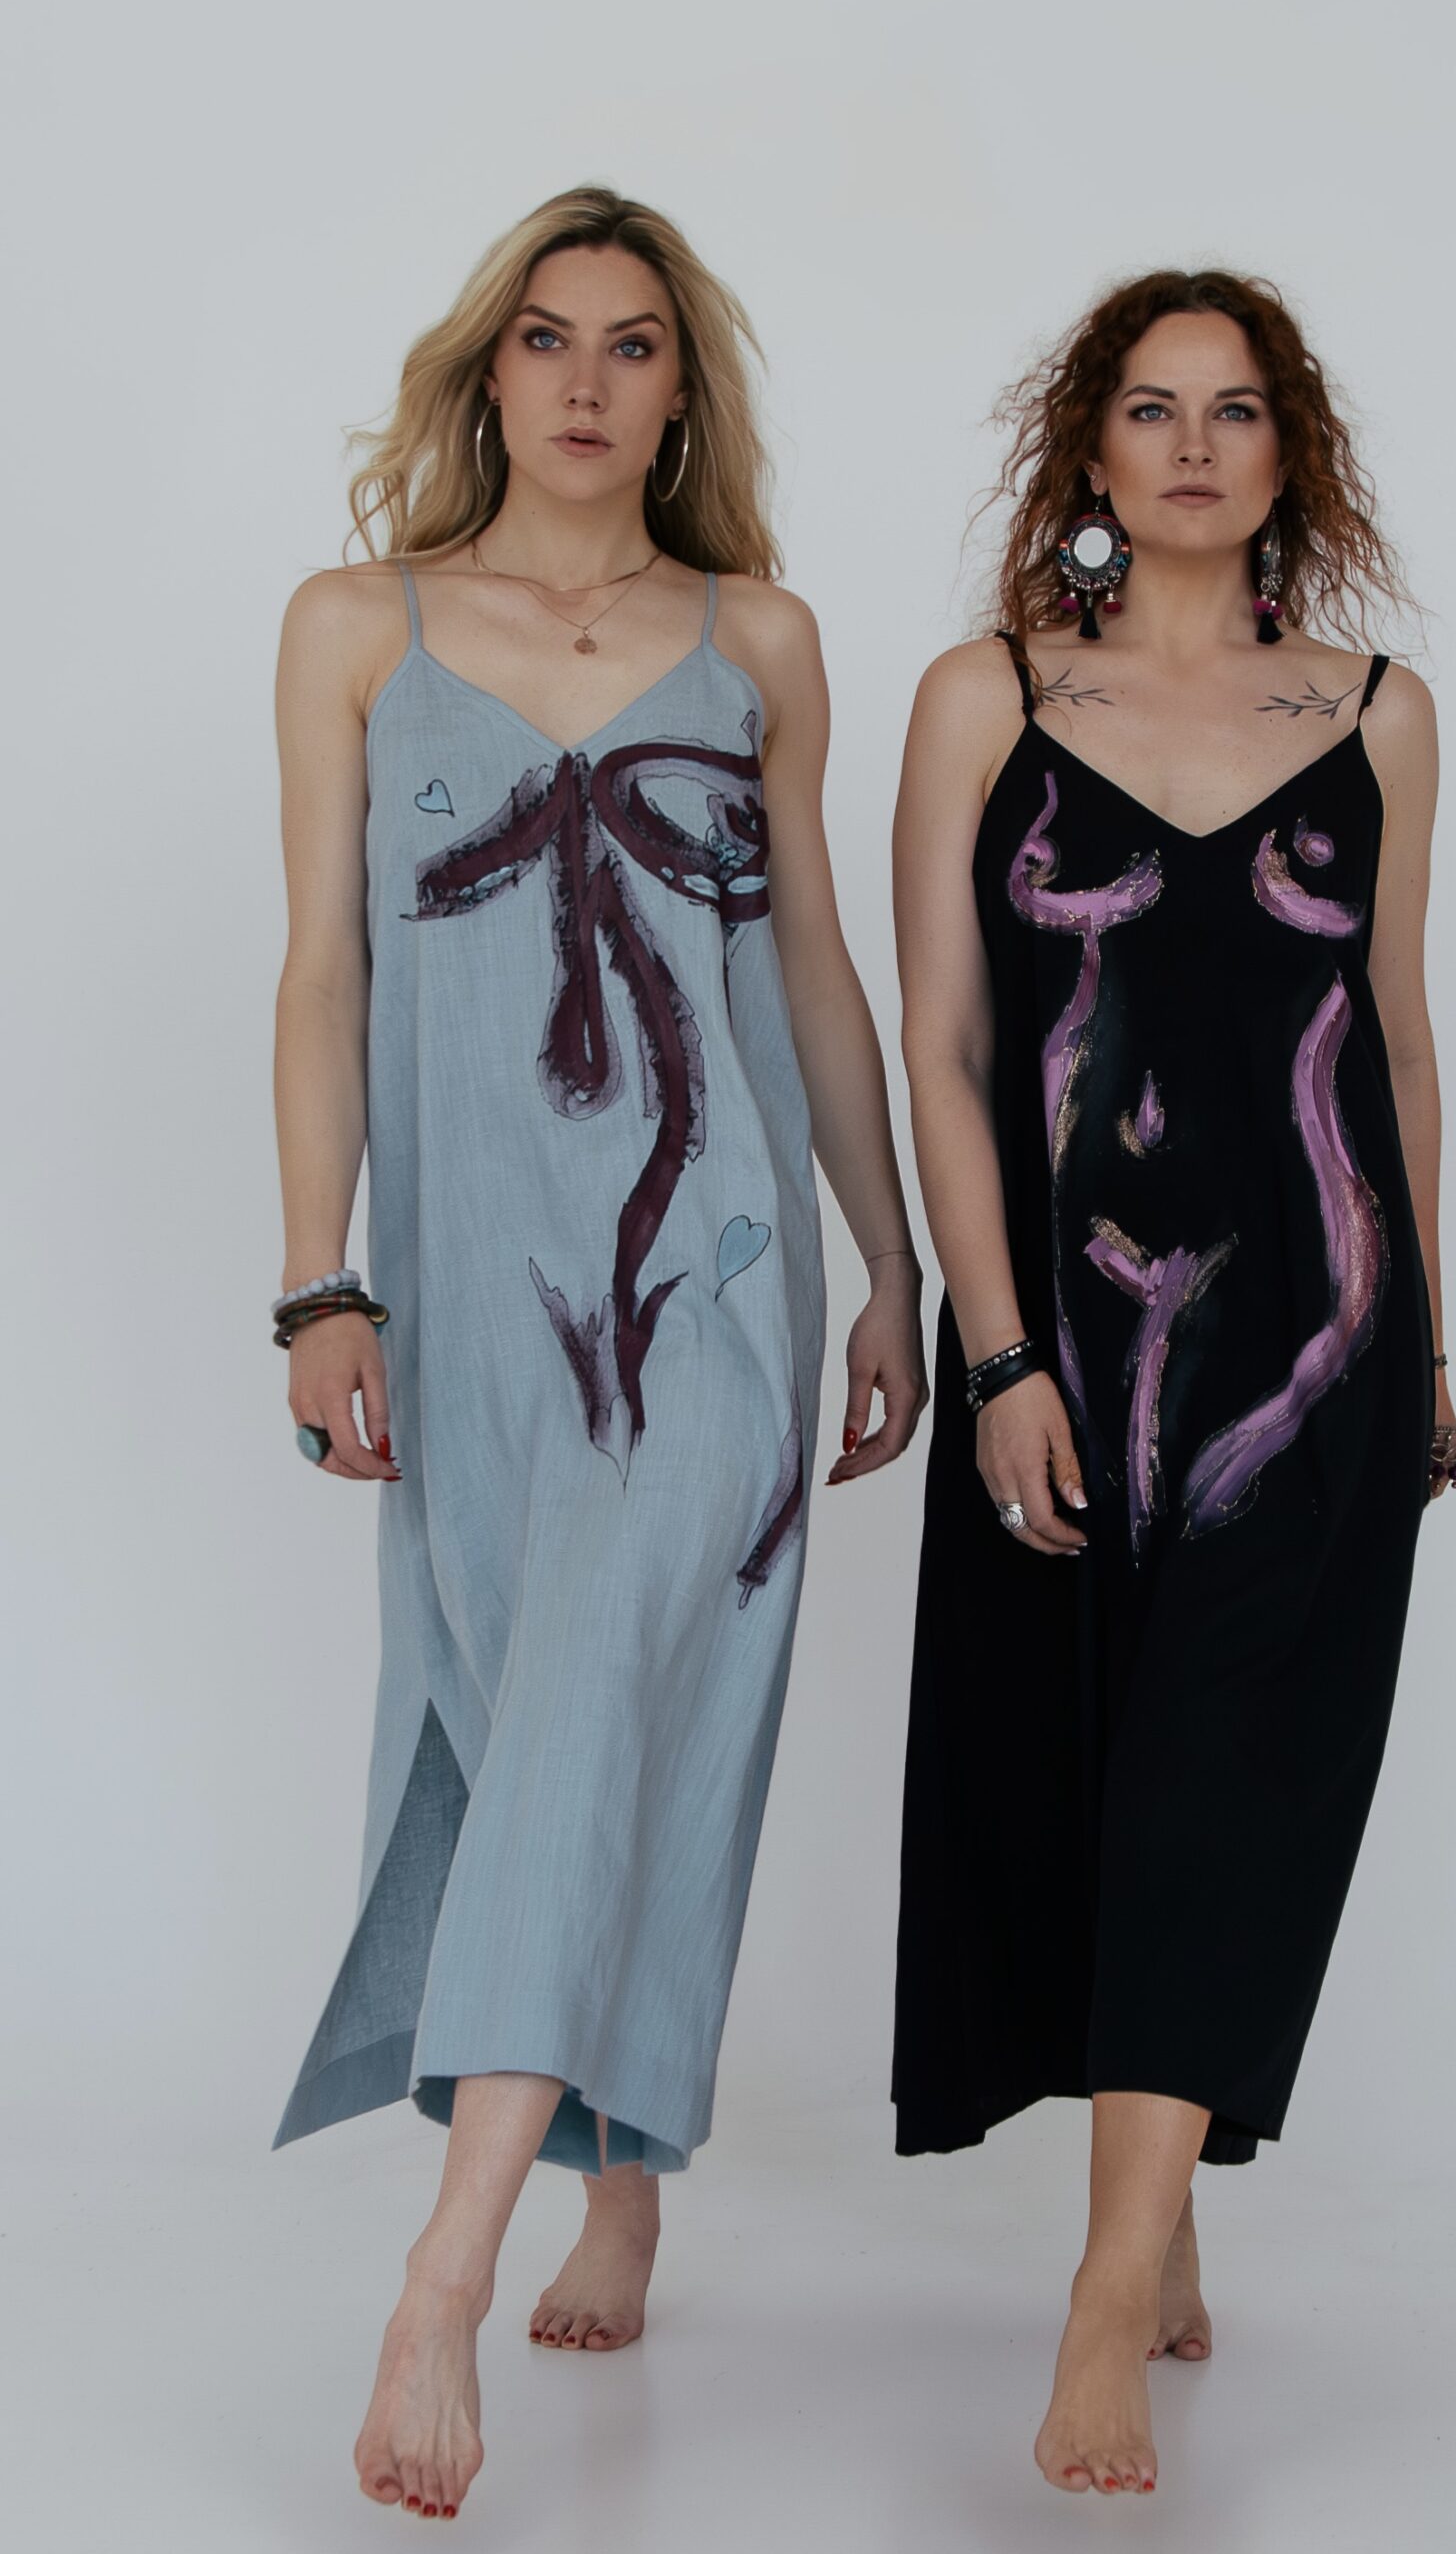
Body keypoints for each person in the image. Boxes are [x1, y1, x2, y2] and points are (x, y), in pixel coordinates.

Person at [269, 184, 925, 2522]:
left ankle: (441, 2270)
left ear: (679, 391)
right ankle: (617, 2166)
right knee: (538, 1706)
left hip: (711, 1280)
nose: (581, 378)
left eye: (631, 343)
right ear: (487, 373)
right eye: (543, 337)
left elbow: (815, 971)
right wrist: (317, 1280)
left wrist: (889, 1262)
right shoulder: (354, 624)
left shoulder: (761, 638)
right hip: (468, 1296)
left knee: (599, 1695)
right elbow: (322, 970)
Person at [888, 269, 1456, 2500]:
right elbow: (950, 1044)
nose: (1195, 447)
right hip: (1072, 1338)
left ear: (1287, 453)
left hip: (1315, 1348)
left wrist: (1429, 1352)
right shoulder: (984, 696)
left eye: (1236, 411)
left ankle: (1102, 2290)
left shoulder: (1380, 716)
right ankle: (1171, 2210)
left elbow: (1398, 1044)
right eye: (1152, 409)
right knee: (1088, 1780)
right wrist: (995, 1349)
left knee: (1228, 1777)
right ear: (1090, 451)